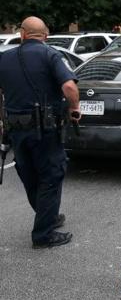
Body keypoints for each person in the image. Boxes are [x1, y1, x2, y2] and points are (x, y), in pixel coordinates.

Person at [0, 16, 81, 248]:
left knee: (29, 175)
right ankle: (43, 235)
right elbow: (69, 86)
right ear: (45, 36)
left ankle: (48, 217)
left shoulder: (4, 58)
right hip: (45, 130)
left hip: (16, 130)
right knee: (51, 176)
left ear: (23, 34)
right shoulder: (50, 55)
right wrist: (75, 108)